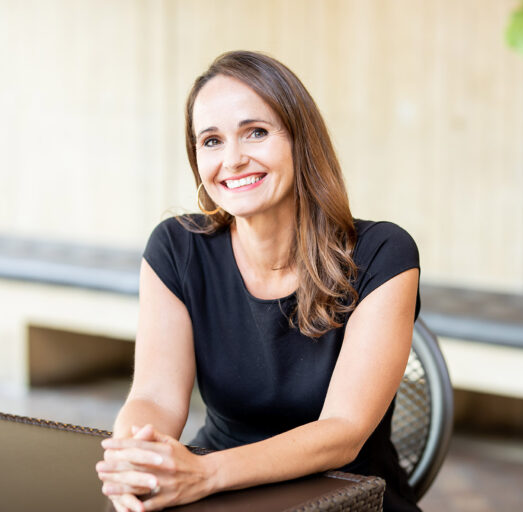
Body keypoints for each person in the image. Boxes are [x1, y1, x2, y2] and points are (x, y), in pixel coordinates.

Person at [94, 50, 421, 512]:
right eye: (211, 141)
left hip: (345, 492)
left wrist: (206, 474)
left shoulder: (382, 252)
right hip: (217, 487)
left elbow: (343, 432)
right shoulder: (177, 247)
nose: (233, 159)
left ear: (300, 141)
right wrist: (136, 456)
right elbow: (154, 397)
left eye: (257, 133)